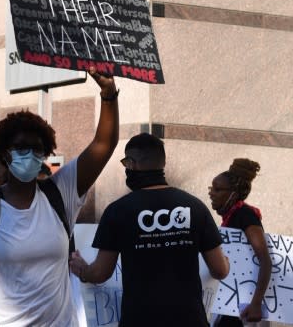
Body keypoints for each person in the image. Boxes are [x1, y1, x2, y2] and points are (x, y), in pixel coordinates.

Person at [0, 67, 119, 327]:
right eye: (21, 147)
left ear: (45, 153)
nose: (29, 154)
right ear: (4, 153)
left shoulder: (61, 193)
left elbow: (103, 145)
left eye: (36, 149)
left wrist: (109, 95)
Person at [68, 133, 231, 327]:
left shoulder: (118, 211)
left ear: (131, 164)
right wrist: (226, 262)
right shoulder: (195, 207)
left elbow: (101, 273)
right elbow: (220, 270)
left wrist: (83, 270)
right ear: (162, 163)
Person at [210, 158, 270, 326]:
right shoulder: (230, 218)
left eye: (217, 189)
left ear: (233, 193)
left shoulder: (245, 216)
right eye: (211, 188)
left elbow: (265, 260)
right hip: (230, 304)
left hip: (243, 310)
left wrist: (256, 303)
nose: (211, 192)